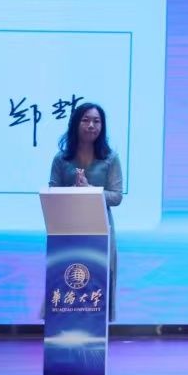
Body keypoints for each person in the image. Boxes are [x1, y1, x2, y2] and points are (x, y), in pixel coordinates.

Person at [48, 102, 123, 320]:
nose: (91, 125)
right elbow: (52, 192)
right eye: (86, 120)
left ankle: (96, 326)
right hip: (67, 228)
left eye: (96, 121)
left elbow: (116, 196)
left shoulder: (110, 158)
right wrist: (73, 191)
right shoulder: (61, 159)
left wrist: (91, 191)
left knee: (98, 278)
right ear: (75, 124)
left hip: (100, 228)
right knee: (66, 276)